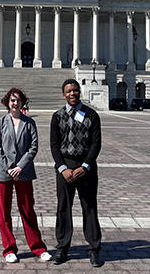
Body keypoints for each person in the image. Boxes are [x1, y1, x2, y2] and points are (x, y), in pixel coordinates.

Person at [0, 88, 51, 264]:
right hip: (3, 172)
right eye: (12, 100)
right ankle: (9, 249)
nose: (15, 103)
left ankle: (38, 248)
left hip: (23, 173)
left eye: (17, 100)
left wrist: (20, 167)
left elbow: (33, 147)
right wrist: (10, 167)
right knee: (4, 213)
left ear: (22, 102)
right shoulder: (0, 122)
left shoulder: (29, 122)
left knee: (27, 211)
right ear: (7, 102)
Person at [50, 79, 104, 267]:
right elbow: (54, 145)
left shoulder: (92, 114)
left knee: (89, 207)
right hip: (65, 165)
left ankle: (94, 249)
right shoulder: (57, 116)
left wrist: (86, 166)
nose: (72, 94)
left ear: (79, 92)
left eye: (75, 90)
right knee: (63, 208)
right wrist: (63, 168)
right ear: (63, 94)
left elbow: (96, 143)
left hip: (86, 167)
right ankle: (62, 247)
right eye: (68, 91)